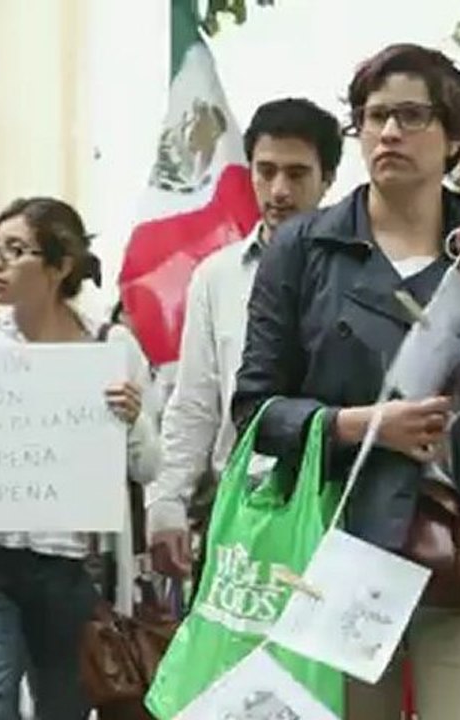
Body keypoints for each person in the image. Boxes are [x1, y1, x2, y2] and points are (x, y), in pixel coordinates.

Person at [232, 44, 460, 720]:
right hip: (342, 551)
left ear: (454, 137)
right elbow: (255, 411)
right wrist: (360, 426)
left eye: (411, 116)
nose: (387, 133)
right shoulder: (304, 249)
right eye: (374, 116)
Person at [0, 197, 160, 719]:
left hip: (73, 571)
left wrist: (132, 421)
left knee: (62, 708)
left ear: (61, 265)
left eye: (16, 250)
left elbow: (149, 467)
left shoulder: (111, 345)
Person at [147, 97, 342, 582]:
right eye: (266, 171)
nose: (279, 190)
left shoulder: (356, 272)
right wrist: (167, 500)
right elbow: (194, 401)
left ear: (328, 179)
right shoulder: (217, 277)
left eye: (297, 174)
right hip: (242, 512)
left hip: (336, 514)